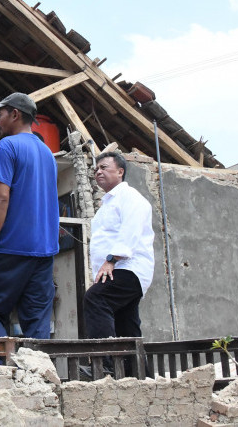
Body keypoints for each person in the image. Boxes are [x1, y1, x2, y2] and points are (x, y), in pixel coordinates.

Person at [0, 93, 59, 360]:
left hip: (11, 249)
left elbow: (0, 197)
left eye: (2, 113)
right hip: (44, 253)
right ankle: (37, 382)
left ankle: (8, 371)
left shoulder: (8, 147)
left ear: (15, 115)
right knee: (36, 327)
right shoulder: (47, 153)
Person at [83, 152, 154, 375]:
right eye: (96, 169)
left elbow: (130, 232)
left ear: (120, 171)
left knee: (96, 297)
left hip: (129, 267)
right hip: (118, 268)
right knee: (126, 324)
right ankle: (141, 376)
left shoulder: (131, 198)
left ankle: (106, 364)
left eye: (104, 167)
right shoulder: (107, 205)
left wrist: (111, 260)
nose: (98, 172)